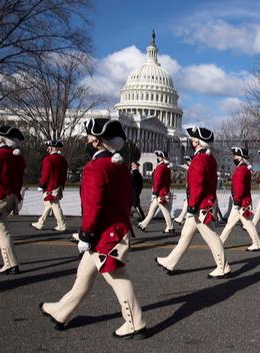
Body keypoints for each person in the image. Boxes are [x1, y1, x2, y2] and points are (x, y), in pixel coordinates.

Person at [39, 118, 147, 338]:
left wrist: (86, 234)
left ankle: (136, 323)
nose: (87, 139)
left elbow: (93, 205)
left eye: (90, 136)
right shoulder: (119, 167)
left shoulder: (96, 167)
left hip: (103, 234)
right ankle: (61, 311)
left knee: (118, 278)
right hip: (115, 229)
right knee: (83, 277)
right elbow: (129, 199)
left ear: (98, 141)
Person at [155, 126, 231, 278]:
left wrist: (192, 206)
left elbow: (197, 186)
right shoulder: (209, 158)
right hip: (205, 203)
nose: (190, 141)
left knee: (211, 236)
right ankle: (170, 262)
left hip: (200, 205)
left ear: (197, 142)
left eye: (192, 139)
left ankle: (223, 267)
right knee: (185, 235)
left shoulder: (199, 159)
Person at [219, 147, 260, 251]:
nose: (234, 158)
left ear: (241, 158)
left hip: (241, 202)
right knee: (231, 223)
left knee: (247, 224)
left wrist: (237, 201)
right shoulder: (243, 169)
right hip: (241, 201)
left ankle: (257, 244)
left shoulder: (241, 170)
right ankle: (220, 242)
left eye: (236, 156)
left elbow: (239, 187)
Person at [0, 125, 25, 275]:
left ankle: (11, 263)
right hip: (11, 196)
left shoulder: (0, 154)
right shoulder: (17, 157)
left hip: (0, 195)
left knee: (2, 231)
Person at [31, 140, 68, 231]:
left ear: (51, 148)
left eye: (48, 147)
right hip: (58, 186)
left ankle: (62, 225)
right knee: (49, 205)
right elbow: (64, 174)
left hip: (50, 186)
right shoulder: (63, 159)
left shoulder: (48, 159)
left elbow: (46, 174)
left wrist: (41, 185)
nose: (47, 149)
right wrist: (62, 186)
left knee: (55, 205)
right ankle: (40, 223)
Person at [138, 150, 174, 233]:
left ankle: (170, 227)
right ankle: (143, 225)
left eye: (159, 157)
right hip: (162, 192)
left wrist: (155, 192)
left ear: (162, 158)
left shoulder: (161, 167)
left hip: (160, 193)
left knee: (165, 211)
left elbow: (157, 181)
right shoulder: (165, 167)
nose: (157, 158)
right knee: (152, 211)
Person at [173, 155, 192, 225]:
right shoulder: (190, 169)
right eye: (187, 161)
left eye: (189, 160)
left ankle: (182, 218)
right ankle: (183, 219)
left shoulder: (193, 169)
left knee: (187, 205)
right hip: (190, 190)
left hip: (193, 191)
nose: (188, 162)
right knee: (187, 204)